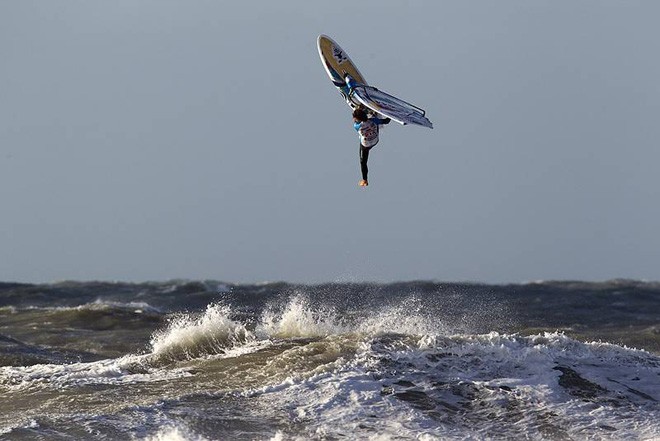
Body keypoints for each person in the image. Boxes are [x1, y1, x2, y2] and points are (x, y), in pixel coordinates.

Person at [353, 107, 390, 186]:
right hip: (375, 140)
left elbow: (359, 122)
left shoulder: (357, 126)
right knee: (375, 123)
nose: (353, 119)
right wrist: (390, 115)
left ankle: (365, 180)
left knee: (363, 162)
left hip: (366, 146)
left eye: (355, 118)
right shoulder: (372, 120)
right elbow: (386, 121)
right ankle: (373, 113)